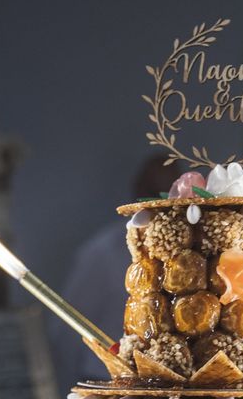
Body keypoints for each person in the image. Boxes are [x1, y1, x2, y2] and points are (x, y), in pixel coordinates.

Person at [49, 155, 180, 395]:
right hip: (108, 380)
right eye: (153, 193)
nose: (162, 205)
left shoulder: (195, 262)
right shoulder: (101, 253)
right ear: (137, 193)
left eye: (171, 196)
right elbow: (66, 330)